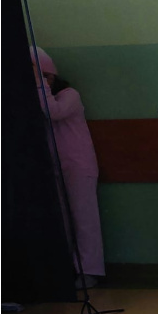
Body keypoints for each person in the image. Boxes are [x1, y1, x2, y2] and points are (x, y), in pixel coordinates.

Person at [31, 47, 105, 287]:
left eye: (45, 76)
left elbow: (54, 112)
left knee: (84, 220)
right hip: (51, 166)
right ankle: (65, 269)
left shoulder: (70, 95)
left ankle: (89, 271)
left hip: (79, 165)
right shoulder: (37, 99)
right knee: (61, 220)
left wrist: (40, 84)